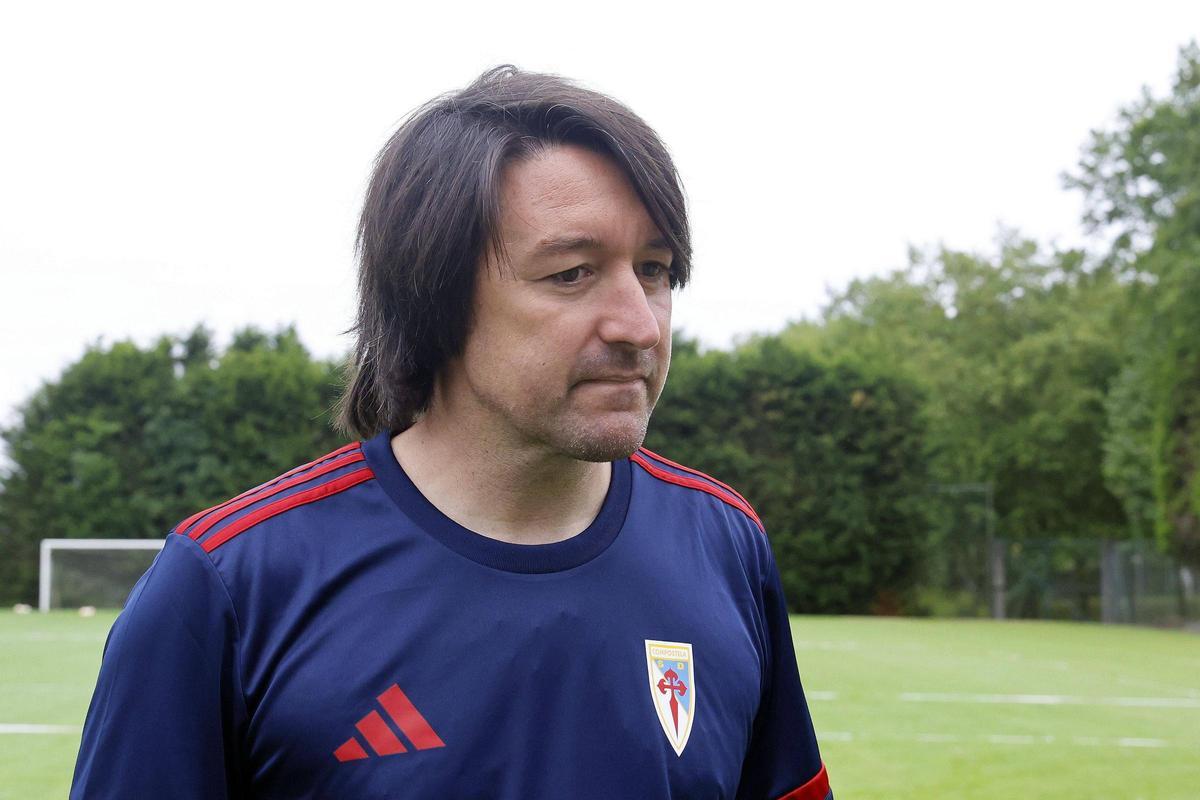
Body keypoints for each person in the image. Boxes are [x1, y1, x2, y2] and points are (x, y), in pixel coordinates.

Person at [71, 66, 832, 799]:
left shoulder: (726, 545)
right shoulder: (231, 590)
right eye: (571, 274)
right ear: (434, 295)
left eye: (657, 270)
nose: (639, 323)